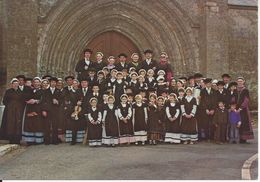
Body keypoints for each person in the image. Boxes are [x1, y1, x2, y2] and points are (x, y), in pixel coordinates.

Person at [1, 78, 25, 144]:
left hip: (18, 110)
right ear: (12, 84)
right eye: (14, 84)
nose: (15, 85)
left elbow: (23, 101)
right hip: (9, 111)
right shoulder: (8, 91)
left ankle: (17, 139)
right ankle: (10, 138)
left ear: (18, 84)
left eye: (17, 84)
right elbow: (4, 100)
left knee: (18, 123)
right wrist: (9, 106)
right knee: (10, 123)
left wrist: (19, 107)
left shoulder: (21, 92)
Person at [22, 77, 44, 144]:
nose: (36, 83)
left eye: (37, 82)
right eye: (35, 82)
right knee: (30, 123)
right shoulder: (30, 90)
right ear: (33, 83)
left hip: (38, 108)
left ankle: (38, 140)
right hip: (30, 108)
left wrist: (36, 101)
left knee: (38, 123)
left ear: (40, 83)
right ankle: (30, 140)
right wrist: (27, 101)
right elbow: (25, 97)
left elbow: (44, 100)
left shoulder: (43, 91)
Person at [41, 77, 62, 145]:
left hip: (56, 111)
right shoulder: (45, 91)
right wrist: (43, 110)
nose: (53, 83)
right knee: (47, 125)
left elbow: (62, 101)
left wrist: (58, 101)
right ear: (49, 83)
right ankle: (47, 140)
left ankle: (54, 140)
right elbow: (43, 101)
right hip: (47, 111)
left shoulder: (58, 91)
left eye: (54, 82)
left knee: (55, 125)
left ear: (56, 83)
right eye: (52, 82)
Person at [236, 77, 254, 143]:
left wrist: (241, 107)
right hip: (236, 109)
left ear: (243, 82)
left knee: (244, 123)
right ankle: (238, 137)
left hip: (243, 109)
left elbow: (246, 100)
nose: (239, 82)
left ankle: (244, 138)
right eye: (238, 81)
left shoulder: (245, 90)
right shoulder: (236, 90)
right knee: (237, 123)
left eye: (241, 81)